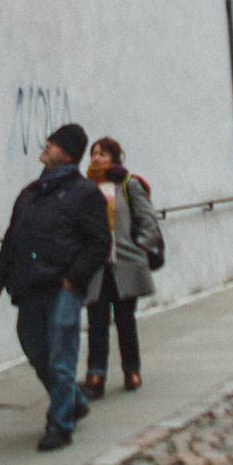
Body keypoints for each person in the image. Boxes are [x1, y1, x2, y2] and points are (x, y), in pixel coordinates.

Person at [0, 125, 112, 450]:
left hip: (62, 288)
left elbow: (100, 242)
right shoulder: (30, 193)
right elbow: (12, 239)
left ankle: (60, 425)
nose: (46, 146)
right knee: (34, 347)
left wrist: (74, 278)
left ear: (66, 153)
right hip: (30, 286)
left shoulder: (85, 193)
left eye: (52, 143)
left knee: (60, 357)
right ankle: (74, 401)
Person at [80, 137, 161, 395]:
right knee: (96, 321)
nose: (96, 158)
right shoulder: (85, 188)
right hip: (96, 267)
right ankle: (96, 376)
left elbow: (148, 221)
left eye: (102, 154)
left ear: (114, 158)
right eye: (93, 153)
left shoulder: (128, 184)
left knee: (126, 320)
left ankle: (131, 371)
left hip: (124, 264)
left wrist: (139, 247)